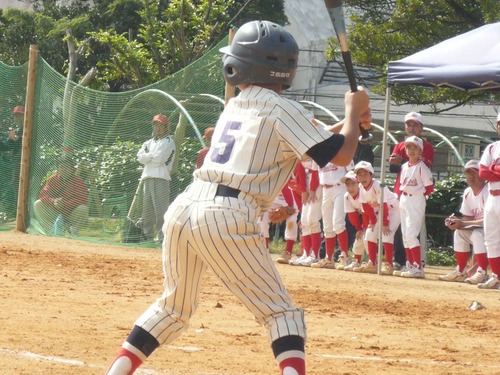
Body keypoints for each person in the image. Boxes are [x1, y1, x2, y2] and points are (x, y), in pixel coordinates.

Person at [105, 20, 371, 375]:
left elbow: (313, 141)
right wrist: (354, 113)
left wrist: (349, 122)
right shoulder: (280, 108)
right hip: (226, 214)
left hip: (185, 208)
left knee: (173, 309)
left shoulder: (237, 104)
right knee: (282, 314)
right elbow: (338, 155)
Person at [389, 111, 435, 270]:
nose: (412, 127)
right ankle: (400, 260)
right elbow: (393, 167)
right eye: (409, 124)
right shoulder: (399, 145)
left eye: (415, 125)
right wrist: (398, 161)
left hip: (417, 193)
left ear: (421, 127)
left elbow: (424, 166)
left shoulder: (426, 146)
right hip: (401, 192)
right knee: (400, 229)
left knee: (415, 230)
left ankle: (418, 261)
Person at [439, 159, 489, 283]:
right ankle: (461, 271)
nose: (471, 176)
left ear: (482, 174)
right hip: (483, 232)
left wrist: (463, 223)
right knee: (459, 233)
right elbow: (468, 218)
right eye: (468, 173)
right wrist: (456, 221)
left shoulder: (488, 190)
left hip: (494, 232)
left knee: (477, 234)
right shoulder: (467, 192)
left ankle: (482, 272)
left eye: (475, 172)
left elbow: (489, 220)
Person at [396, 136, 434, 278]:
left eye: (414, 147)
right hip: (404, 198)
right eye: (408, 147)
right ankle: (410, 264)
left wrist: (419, 195)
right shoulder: (405, 166)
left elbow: (429, 188)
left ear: (420, 151)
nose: (411, 150)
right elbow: (401, 185)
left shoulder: (422, 167)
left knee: (412, 233)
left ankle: (418, 266)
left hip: (416, 199)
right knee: (405, 234)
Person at [353, 160, 400, 274]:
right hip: (380, 211)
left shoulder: (377, 185)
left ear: (372, 175)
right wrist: (372, 221)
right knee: (370, 234)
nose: (363, 177)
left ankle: (389, 264)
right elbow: (366, 206)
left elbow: (384, 205)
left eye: (366, 174)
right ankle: (372, 263)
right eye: (360, 175)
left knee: (386, 235)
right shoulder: (361, 187)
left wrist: (384, 223)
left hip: (393, 210)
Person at [137, 113, 176, 243]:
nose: (157, 128)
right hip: (147, 177)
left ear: (166, 127)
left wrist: (147, 157)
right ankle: (147, 237)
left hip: (161, 178)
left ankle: (162, 238)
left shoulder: (169, 141)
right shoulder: (147, 142)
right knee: (147, 211)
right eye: (155, 125)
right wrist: (150, 158)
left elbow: (159, 160)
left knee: (161, 211)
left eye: (160, 125)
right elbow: (139, 157)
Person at [311, 161, 353, 269]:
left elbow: (351, 172)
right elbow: (315, 172)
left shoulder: (341, 151)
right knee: (327, 226)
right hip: (325, 189)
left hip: (340, 187)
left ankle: (345, 256)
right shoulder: (318, 154)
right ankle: (329, 259)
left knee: (338, 224)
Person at [33, 155, 89, 236]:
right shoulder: (53, 179)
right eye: (61, 167)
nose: (64, 169)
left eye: (67, 167)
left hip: (71, 213)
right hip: (55, 212)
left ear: (72, 168)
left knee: (83, 208)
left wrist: (65, 203)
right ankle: (50, 231)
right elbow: (43, 194)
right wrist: (54, 201)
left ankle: (74, 232)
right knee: (38, 204)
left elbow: (83, 199)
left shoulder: (78, 181)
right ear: (58, 169)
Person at [477, 112, 500, 289]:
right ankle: (496, 276)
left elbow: (488, 171)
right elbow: (482, 173)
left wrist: (493, 169)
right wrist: (495, 169)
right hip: (492, 197)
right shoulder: (492, 148)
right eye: (499, 123)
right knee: (491, 239)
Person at [289, 159, 323, 266]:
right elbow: (300, 169)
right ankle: (306, 253)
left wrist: (312, 189)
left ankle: (315, 255)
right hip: (307, 182)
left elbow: (315, 172)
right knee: (304, 221)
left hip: (317, 183)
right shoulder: (301, 152)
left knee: (312, 219)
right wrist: (303, 190)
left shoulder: (314, 150)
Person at [0, 105, 25, 218]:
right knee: (16, 183)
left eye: (20, 116)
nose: (18, 118)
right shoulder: (16, 131)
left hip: (28, 164)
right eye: (16, 116)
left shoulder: (29, 129)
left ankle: (25, 210)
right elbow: (8, 147)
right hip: (18, 164)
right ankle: (18, 211)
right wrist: (10, 139)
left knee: (25, 186)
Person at [339, 170, 366, 271]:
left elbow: (369, 213)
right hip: (366, 217)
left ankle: (374, 262)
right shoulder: (347, 196)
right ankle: (357, 261)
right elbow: (352, 215)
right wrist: (359, 228)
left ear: (359, 184)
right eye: (348, 185)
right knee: (360, 237)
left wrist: (363, 228)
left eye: (353, 184)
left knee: (369, 237)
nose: (350, 188)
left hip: (379, 215)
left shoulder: (364, 193)